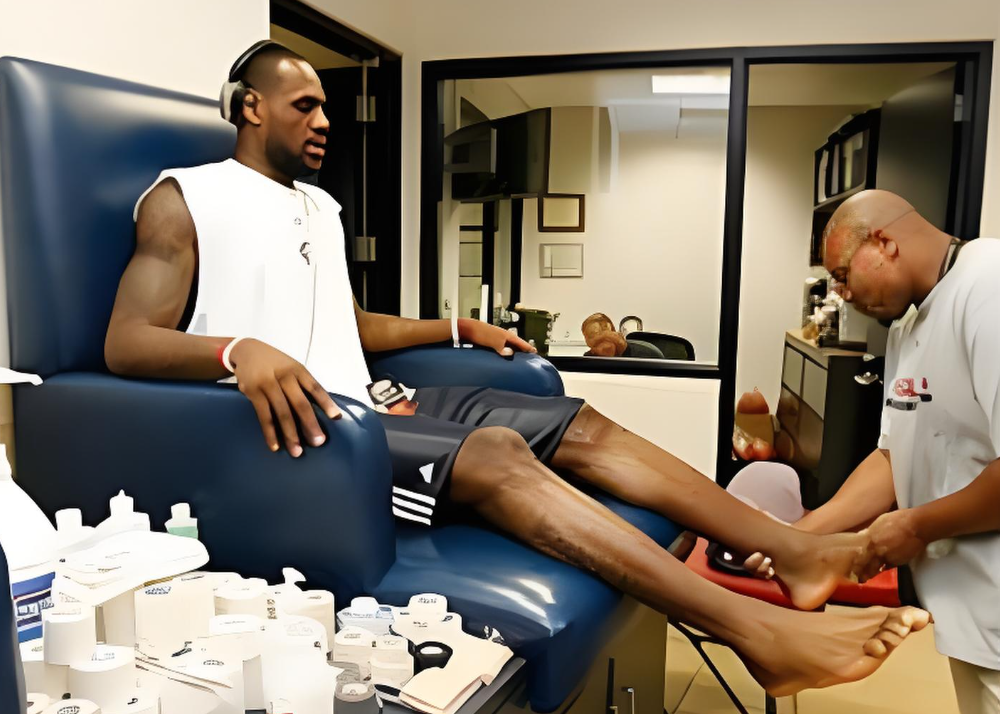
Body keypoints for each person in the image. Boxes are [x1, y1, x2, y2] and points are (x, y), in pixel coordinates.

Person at [103, 41, 929, 696]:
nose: (324, 121)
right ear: (251, 108)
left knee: (581, 425)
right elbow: (127, 341)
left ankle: (792, 551)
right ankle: (756, 631)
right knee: (498, 454)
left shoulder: (318, 204)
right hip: (307, 437)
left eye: (325, 106)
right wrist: (236, 349)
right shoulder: (186, 199)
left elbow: (348, 326)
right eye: (304, 106)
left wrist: (455, 326)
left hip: (372, 401)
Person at [797, 189, 998, 712]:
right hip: (968, 616)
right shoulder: (907, 324)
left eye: (843, 275)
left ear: (884, 242)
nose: (840, 294)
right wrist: (800, 537)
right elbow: (894, 456)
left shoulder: (989, 288)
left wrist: (915, 526)